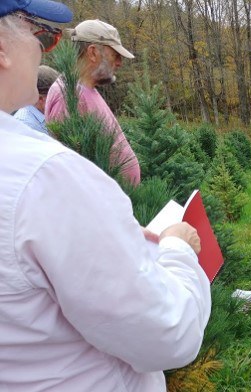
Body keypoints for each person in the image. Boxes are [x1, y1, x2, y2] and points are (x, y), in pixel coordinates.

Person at [0, 2, 211, 391]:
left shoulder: (81, 100)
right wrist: (178, 251)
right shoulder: (45, 173)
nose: (119, 64)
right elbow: (164, 331)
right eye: (34, 33)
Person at [45, 19, 140, 186]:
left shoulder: (87, 90)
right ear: (93, 52)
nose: (119, 63)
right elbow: (70, 173)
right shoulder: (67, 96)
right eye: (115, 55)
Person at [13, 64, 59, 134]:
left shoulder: (48, 115)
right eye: (57, 97)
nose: (62, 101)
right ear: (40, 98)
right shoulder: (25, 125)